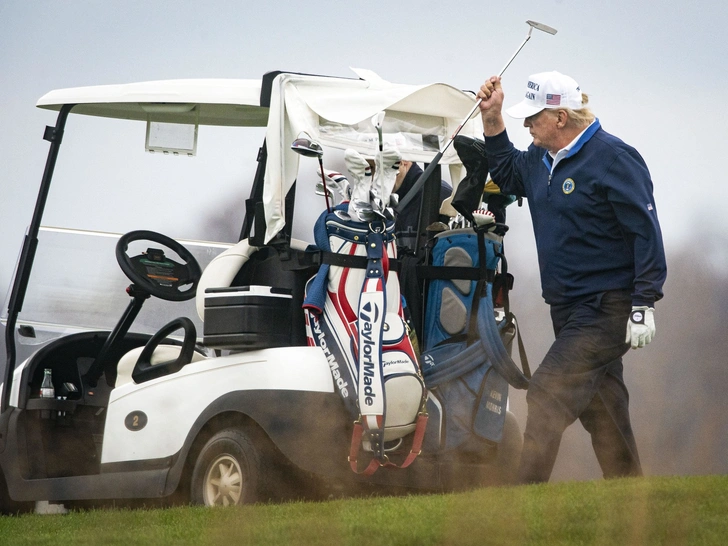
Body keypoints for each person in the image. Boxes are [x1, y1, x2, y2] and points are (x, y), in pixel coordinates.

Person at [476, 70, 667, 483]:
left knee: (547, 392)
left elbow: (644, 230)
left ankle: (522, 499)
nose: (526, 125)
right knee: (605, 411)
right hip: (566, 307)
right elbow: (508, 173)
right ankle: (630, 496)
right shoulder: (539, 159)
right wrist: (492, 119)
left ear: (561, 117)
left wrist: (644, 301)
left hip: (608, 306)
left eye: (533, 117)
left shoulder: (614, 157)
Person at [392, 160, 452, 252]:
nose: (373, 178)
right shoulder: (381, 199)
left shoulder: (440, 194)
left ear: (402, 162)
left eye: (378, 167)